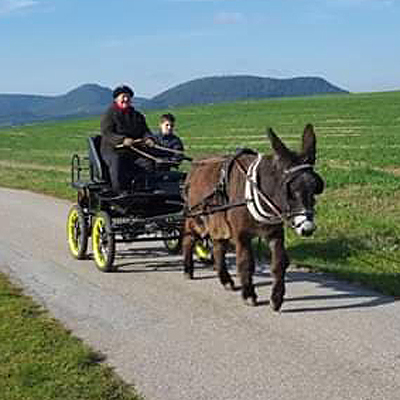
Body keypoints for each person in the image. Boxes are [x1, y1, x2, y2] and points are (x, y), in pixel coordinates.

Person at [100, 85, 154, 193]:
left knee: (148, 163)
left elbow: (145, 131)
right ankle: (119, 191)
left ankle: (143, 190)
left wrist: (148, 138)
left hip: (133, 150)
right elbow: (107, 133)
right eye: (123, 96)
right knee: (117, 161)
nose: (126, 99)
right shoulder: (109, 114)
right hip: (112, 149)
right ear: (116, 99)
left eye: (128, 97)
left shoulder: (137, 115)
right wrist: (122, 140)